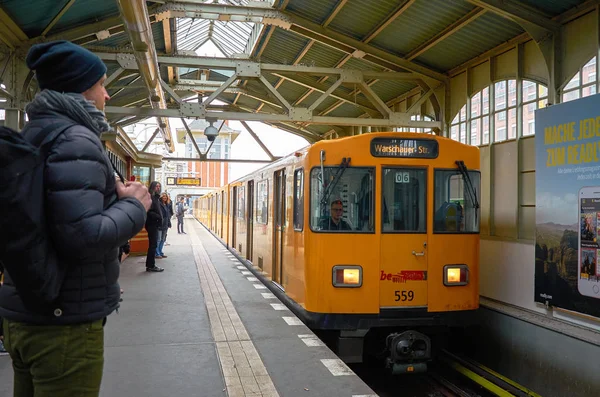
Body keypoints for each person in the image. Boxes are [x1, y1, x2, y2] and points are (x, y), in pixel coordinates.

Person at [0, 40, 152, 396]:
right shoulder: (76, 139)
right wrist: (134, 206)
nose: (107, 95)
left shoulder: (35, 133)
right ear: (83, 89)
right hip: (63, 327)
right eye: (102, 84)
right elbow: (82, 236)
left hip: (24, 315)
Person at [146, 181, 165, 272]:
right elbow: (149, 211)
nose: (158, 188)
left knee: (153, 245)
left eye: (159, 186)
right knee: (153, 245)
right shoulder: (150, 198)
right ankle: (151, 266)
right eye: (156, 186)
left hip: (155, 224)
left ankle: (150, 265)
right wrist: (158, 217)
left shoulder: (156, 198)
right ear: (152, 187)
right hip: (152, 224)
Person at [156, 193, 170, 258]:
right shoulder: (159, 204)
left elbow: (168, 215)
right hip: (160, 224)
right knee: (158, 239)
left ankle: (160, 252)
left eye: (166, 196)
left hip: (165, 224)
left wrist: (169, 223)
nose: (165, 197)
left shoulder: (167, 204)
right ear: (161, 197)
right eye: (163, 196)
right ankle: (157, 253)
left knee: (163, 239)